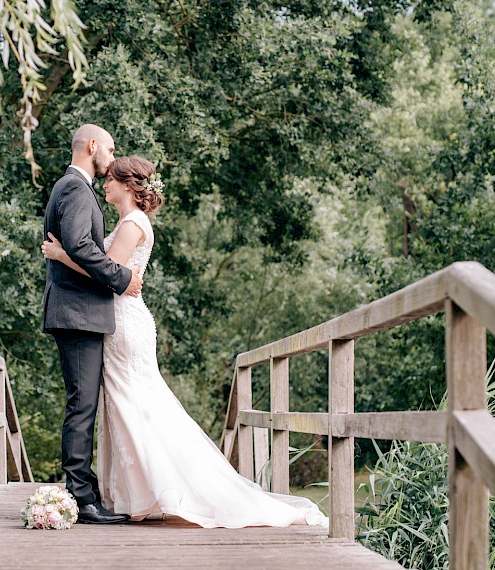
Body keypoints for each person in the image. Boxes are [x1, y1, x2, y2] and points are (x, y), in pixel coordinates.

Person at [42, 155, 326, 528]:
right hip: (122, 320)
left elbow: (104, 273)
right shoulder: (131, 221)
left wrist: (63, 255)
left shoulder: (132, 224)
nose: (105, 184)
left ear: (128, 186)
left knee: (136, 404)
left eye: (110, 180)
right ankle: (136, 493)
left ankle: (153, 491)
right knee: (130, 406)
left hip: (126, 323)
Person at [42, 124, 143, 525]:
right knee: (82, 405)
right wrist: (122, 278)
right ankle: (82, 498)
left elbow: (75, 248)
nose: (113, 158)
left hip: (77, 311)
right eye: (111, 149)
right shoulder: (74, 188)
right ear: (92, 146)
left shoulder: (71, 187)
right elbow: (81, 246)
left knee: (81, 403)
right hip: (77, 313)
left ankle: (83, 491)